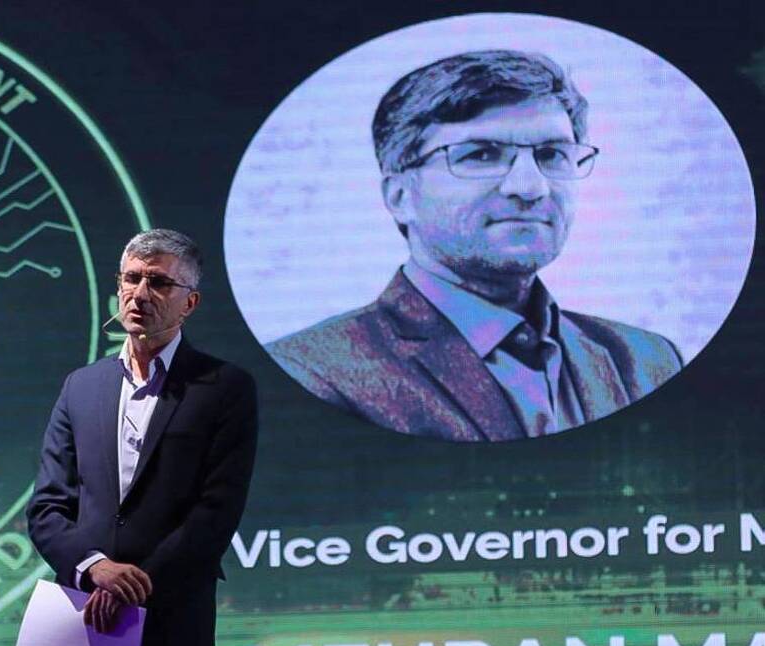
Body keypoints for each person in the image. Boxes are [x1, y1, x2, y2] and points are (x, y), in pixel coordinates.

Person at [267, 50, 682, 441]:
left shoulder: (647, 361)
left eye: (552, 154)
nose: (530, 187)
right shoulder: (311, 373)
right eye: (482, 154)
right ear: (400, 196)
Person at [20, 229, 259, 646]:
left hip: (168, 622)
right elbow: (46, 507)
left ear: (190, 302)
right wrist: (95, 569)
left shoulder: (225, 388)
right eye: (131, 278)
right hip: (78, 616)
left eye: (158, 282)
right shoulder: (81, 386)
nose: (140, 293)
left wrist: (135, 583)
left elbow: (215, 514)